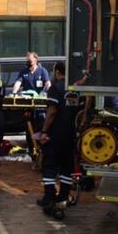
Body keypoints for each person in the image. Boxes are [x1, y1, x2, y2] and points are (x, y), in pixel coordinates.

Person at [36, 62, 79, 211]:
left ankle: (49, 197)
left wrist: (44, 131)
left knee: (50, 165)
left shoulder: (55, 88)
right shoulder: (75, 89)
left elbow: (52, 112)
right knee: (67, 167)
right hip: (71, 134)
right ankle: (64, 196)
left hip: (55, 134)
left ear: (57, 72)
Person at [12, 52, 51, 157]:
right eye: (27, 60)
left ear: (36, 60)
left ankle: (42, 152)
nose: (28, 62)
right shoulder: (23, 72)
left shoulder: (42, 71)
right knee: (29, 130)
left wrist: (44, 92)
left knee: (41, 128)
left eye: (29, 61)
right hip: (28, 106)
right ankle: (31, 152)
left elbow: (48, 83)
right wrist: (14, 93)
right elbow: (18, 83)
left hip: (40, 106)